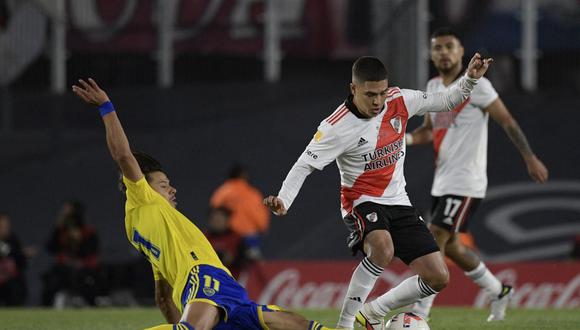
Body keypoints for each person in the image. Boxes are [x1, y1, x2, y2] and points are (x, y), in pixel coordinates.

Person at [72, 78, 335, 330]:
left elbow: (163, 297)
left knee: (284, 323)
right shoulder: (141, 198)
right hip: (204, 276)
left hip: (226, 287)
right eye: (164, 184)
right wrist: (106, 107)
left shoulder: (143, 228)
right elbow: (123, 155)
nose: (172, 189)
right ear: (143, 186)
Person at [264, 54, 493, 329]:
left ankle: (373, 312)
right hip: (361, 202)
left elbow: (445, 101)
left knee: (438, 277)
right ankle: (345, 324)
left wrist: (469, 79)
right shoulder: (336, 127)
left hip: (399, 201)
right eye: (370, 94)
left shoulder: (399, 100)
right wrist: (284, 199)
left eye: (382, 93)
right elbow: (304, 166)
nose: (377, 101)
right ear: (353, 89)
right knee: (383, 248)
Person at [406, 27, 549, 322]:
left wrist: (529, 156)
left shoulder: (477, 86)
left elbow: (507, 121)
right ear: (431, 54)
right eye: (437, 48)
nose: (443, 52)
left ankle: (419, 315)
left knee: (434, 241)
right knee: (455, 248)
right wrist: (401, 140)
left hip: (467, 179)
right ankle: (498, 290)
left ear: (461, 52)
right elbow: (427, 132)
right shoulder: (433, 86)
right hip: (443, 180)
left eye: (449, 46)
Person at [42, 200, 102, 307]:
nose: (64, 214)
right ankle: (45, 310)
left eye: (67, 211)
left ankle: (93, 308)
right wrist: (57, 228)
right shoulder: (61, 231)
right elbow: (51, 248)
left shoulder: (88, 232)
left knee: (89, 283)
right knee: (52, 282)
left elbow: (92, 252)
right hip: (64, 269)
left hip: (84, 269)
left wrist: (79, 240)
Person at [210, 164, 270, 260]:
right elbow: (261, 219)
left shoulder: (223, 191)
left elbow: (214, 210)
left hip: (230, 237)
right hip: (249, 236)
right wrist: (262, 229)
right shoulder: (253, 194)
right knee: (252, 267)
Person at [205, 207, 246, 279]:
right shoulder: (204, 238)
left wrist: (232, 259)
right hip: (210, 279)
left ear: (227, 220)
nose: (217, 221)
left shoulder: (237, 238)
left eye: (220, 219)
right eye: (215, 219)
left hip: (233, 279)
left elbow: (246, 262)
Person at [0, 213, 28, 306]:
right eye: (2, 225)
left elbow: (21, 262)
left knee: (16, 287)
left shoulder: (13, 239)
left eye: (6, 225)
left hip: (11, 281)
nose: (4, 228)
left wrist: (23, 255)